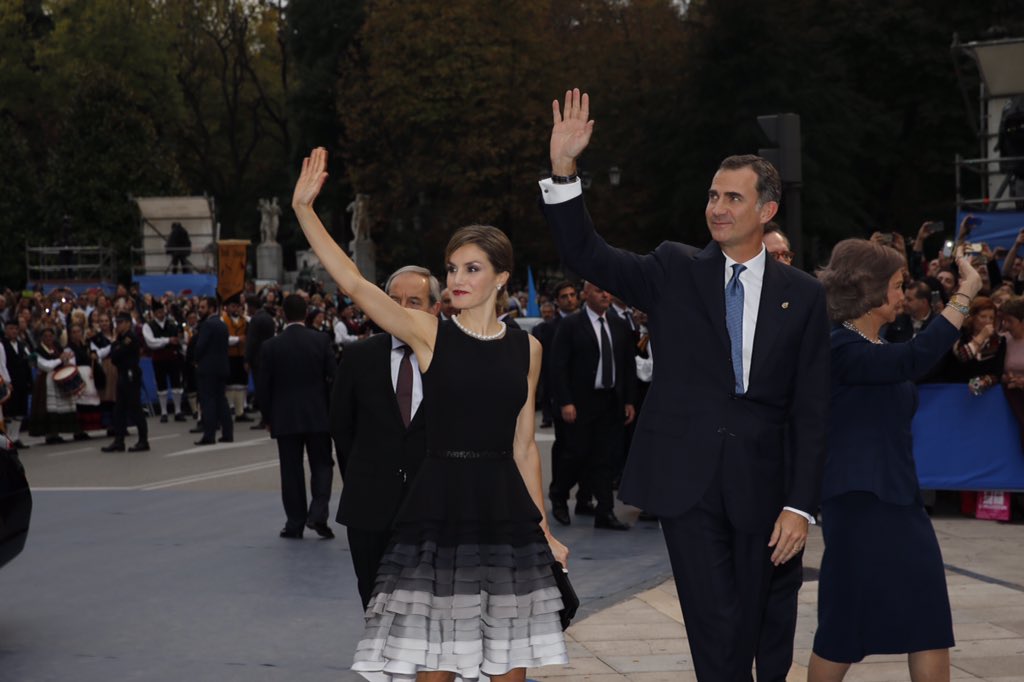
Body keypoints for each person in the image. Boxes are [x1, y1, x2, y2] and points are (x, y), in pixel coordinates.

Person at [540, 89, 829, 681]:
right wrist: (565, 170)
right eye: (713, 196)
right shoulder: (673, 269)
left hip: (764, 485)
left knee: (752, 626)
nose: (717, 208)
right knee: (713, 624)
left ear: (767, 210)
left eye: (732, 197)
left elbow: (812, 408)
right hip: (686, 483)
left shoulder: (802, 296)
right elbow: (585, 250)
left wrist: (801, 504)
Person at [292, 147, 568, 681]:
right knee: (433, 663)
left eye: (472, 268)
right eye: (452, 268)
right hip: (437, 507)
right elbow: (354, 283)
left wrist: (545, 528)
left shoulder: (526, 349)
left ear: (501, 277)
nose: (458, 278)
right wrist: (305, 212)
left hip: (503, 510)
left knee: (509, 665)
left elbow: (523, 447)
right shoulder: (429, 333)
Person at [809, 241, 983, 681]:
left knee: (926, 619)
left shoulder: (878, 343)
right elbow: (916, 358)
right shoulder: (840, 348)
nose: (904, 294)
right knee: (844, 623)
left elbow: (906, 360)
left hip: (897, 497)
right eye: (897, 284)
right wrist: (967, 293)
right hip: (859, 501)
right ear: (870, 289)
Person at [331, 265, 440, 608]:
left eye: (413, 301)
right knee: (375, 602)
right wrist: (365, 479)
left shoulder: (451, 358)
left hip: (433, 508)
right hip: (369, 508)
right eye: (392, 300)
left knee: (429, 606)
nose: (399, 308)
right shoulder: (359, 357)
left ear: (435, 308)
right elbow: (342, 430)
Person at [549, 281, 636, 530]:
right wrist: (565, 401)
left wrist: (629, 400)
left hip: (610, 402)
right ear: (585, 294)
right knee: (574, 455)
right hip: (580, 402)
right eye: (599, 290)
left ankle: (605, 511)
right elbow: (559, 366)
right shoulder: (571, 325)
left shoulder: (619, 326)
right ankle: (559, 498)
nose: (606, 294)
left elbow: (627, 366)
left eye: (607, 289)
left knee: (606, 458)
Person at [257, 294, 335, 540]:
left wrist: (268, 416)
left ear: (283, 313)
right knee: (322, 465)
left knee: (291, 471)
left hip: (285, 416)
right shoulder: (322, 341)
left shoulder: (271, 346)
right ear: (306, 313)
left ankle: (294, 523)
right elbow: (334, 379)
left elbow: (263, 386)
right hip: (318, 415)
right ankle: (318, 514)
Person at [100, 313, 150, 452]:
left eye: (121, 322)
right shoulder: (120, 338)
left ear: (128, 323)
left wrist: (116, 348)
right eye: (117, 322)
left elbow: (117, 354)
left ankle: (143, 440)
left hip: (130, 374)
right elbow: (113, 354)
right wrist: (116, 347)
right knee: (119, 410)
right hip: (122, 373)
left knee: (135, 408)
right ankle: (119, 441)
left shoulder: (130, 338)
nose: (118, 325)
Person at [193, 297, 233, 445]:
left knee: (208, 401)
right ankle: (228, 433)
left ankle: (209, 435)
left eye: (203, 307)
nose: (200, 310)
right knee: (221, 400)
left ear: (211, 308)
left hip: (208, 369)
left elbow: (200, 346)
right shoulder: (222, 324)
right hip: (222, 367)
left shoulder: (207, 325)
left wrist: (196, 360)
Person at [143, 301, 186, 423]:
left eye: (162, 311)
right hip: (159, 359)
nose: (160, 314)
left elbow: (181, 339)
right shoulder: (149, 326)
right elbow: (151, 342)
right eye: (158, 312)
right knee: (161, 386)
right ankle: (164, 412)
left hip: (173, 357)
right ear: (154, 313)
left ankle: (177, 411)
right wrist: (168, 340)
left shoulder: (172, 323)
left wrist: (179, 340)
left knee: (176, 384)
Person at [1, 318, 33, 448]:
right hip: (9, 381)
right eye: (10, 329)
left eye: (15, 329)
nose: (13, 331)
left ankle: (16, 437)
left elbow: (27, 363)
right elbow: (2, 365)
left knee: (20, 411)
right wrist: (6, 381)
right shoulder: (2, 345)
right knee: (10, 412)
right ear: (6, 330)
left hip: (21, 381)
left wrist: (29, 380)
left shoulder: (21, 345)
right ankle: (8, 438)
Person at [245, 301, 277, 430]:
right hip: (269, 355)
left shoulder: (255, 320)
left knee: (261, 389)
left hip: (257, 358)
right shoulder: (269, 318)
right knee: (268, 388)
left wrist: (246, 359)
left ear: (252, 307)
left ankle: (265, 418)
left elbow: (251, 340)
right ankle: (270, 416)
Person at [222, 296, 250, 422]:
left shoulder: (246, 321)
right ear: (227, 308)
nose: (236, 309)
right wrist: (238, 339)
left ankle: (240, 412)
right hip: (229, 356)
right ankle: (229, 410)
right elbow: (224, 339)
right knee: (230, 384)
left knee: (241, 384)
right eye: (233, 306)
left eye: (238, 306)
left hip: (241, 356)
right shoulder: (223, 320)